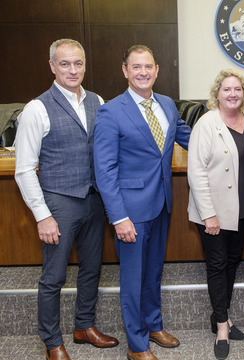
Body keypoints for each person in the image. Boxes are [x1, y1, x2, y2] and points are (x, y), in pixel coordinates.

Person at [14, 38, 119, 360]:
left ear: (85, 66)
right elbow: (23, 169)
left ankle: (83, 326)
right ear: (52, 66)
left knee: (91, 268)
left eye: (77, 63)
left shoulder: (97, 100)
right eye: (64, 63)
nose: (72, 70)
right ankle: (52, 341)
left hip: (93, 200)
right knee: (53, 276)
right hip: (59, 202)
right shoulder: (36, 108)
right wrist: (42, 215)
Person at [94, 45, 191, 360]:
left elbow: (193, 137)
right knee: (133, 279)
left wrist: (233, 134)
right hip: (131, 212)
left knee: (153, 272)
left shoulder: (167, 105)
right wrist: (118, 217)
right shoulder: (111, 110)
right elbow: (104, 170)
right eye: (136, 67)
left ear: (157, 70)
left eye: (148, 66)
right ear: (125, 71)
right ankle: (137, 345)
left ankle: (154, 325)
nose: (143, 72)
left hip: (162, 204)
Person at [187, 69, 244, 360]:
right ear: (217, 94)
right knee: (217, 265)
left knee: (231, 264)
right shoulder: (206, 123)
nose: (232, 94)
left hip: (243, 210)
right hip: (213, 211)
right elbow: (196, 172)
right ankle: (222, 327)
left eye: (237, 89)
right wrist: (208, 215)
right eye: (226, 89)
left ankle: (220, 315)